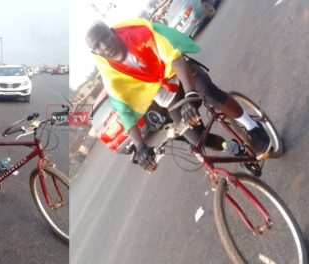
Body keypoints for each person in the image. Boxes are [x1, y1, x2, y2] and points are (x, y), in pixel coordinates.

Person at [85, 19, 271, 172]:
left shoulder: (141, 33)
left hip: (181, 74)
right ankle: (231, 147)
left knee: (208, 93)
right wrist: (140, 146)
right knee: (198, 140)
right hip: (168, 97)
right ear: (95, 52)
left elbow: (174, 56)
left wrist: (190, 94)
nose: (104, 45)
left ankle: (252, 126)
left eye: (104, 37)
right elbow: (123, 111)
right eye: (97, 45)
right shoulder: (110, 76)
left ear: (112, 31)